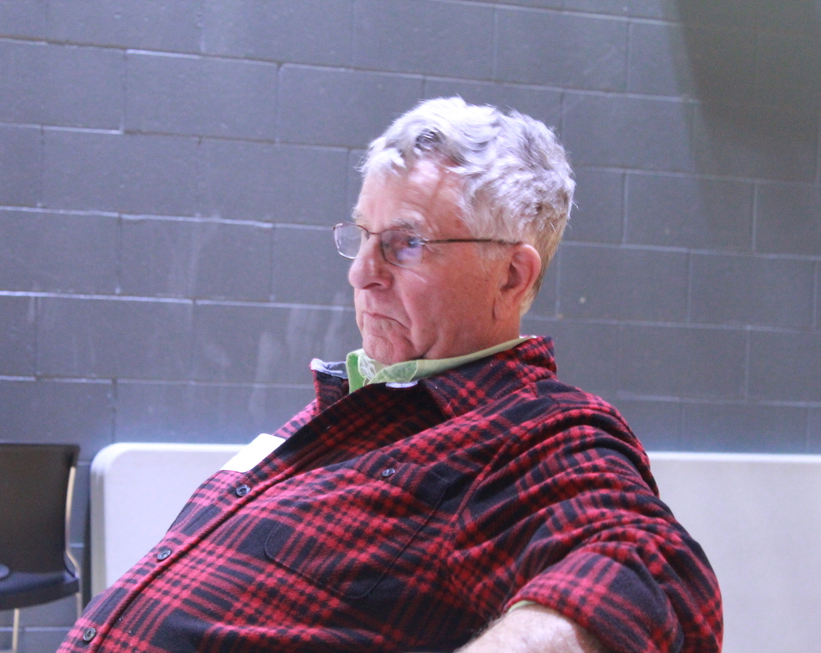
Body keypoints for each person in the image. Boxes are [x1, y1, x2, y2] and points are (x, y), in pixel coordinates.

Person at [58, 97, 722, 653]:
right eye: (362, 236)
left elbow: (651, 570)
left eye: (405, 244)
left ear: (511, 276)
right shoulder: (353, 411)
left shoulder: (531, 428)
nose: (361, 272)